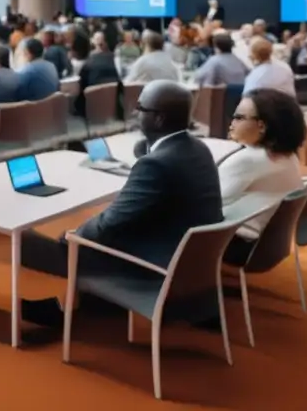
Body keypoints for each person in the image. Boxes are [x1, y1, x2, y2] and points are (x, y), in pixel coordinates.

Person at [20, 81, 223, 326]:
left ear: (158, 119)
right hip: (187, 261)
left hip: (154, 267)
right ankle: (86, 306)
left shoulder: (156, 164)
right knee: (101, 234)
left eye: (140, 107)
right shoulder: (198, 149)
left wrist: (72, 236)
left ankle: (58, 316)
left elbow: (108, 223)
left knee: (28, 243)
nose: (135, 113)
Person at [221, 88, 306, 264]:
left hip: (235, 244)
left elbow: (206, 204)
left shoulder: (248, 160)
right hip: (266, 244)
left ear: (261, 126)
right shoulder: (290, 156)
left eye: (238, 118)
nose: (232, 123)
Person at [76, 32, 121, 117]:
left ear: (93, 42)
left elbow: (81, 79)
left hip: (94, 104)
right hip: (113, 103)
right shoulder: (113, 58)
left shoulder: (90, 60)